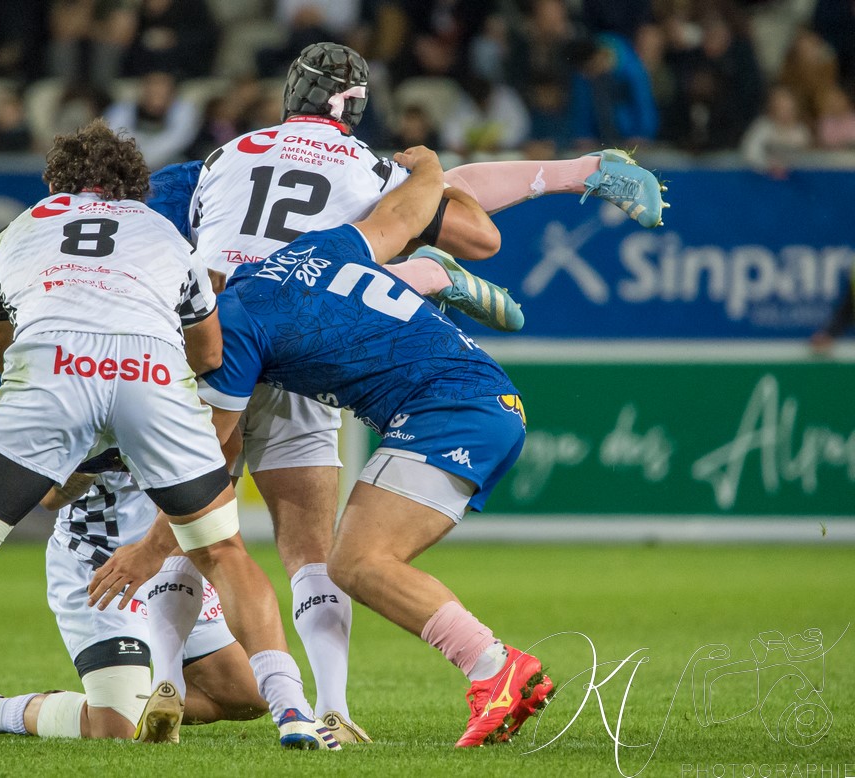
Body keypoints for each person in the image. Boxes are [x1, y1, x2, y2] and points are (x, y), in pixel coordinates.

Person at [102, 41, 665, 747]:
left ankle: (168, 677)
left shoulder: (223, 159)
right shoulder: (363, 182)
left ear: (287, 100)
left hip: (229, 335)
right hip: (332, 325)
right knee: (318, 551)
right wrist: (553, 172)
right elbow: (475, 231)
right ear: (359, 110)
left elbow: (134, 214)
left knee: (204, 527)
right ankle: (334, 705)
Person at [0, 119, 339, 755]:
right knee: (226, 553)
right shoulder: (165, 233)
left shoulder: (15, 231)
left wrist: (59, 411)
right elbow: (211, 352)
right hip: (148, 374)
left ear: (55, 183)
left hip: (51, 368)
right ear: (134, 188)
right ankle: (296, 712)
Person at [98, 143, 554, 748]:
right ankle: (483, 676)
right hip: (475, 400)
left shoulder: (231, 328)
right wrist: (427, 169)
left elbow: (202, 470)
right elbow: (402, 218)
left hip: (450, 412)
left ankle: (496, 670)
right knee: (346, 561)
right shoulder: (309, 248)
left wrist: (149, 549)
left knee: (359, 563)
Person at [0, 465, 267, 741]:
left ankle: (139, 694)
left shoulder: (192, 390)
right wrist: (101, 449)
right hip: (100, 564)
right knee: (119, 727)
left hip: (170, 563)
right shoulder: (82, 382)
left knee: (250, 696)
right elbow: (50, 496)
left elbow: (218, 472)